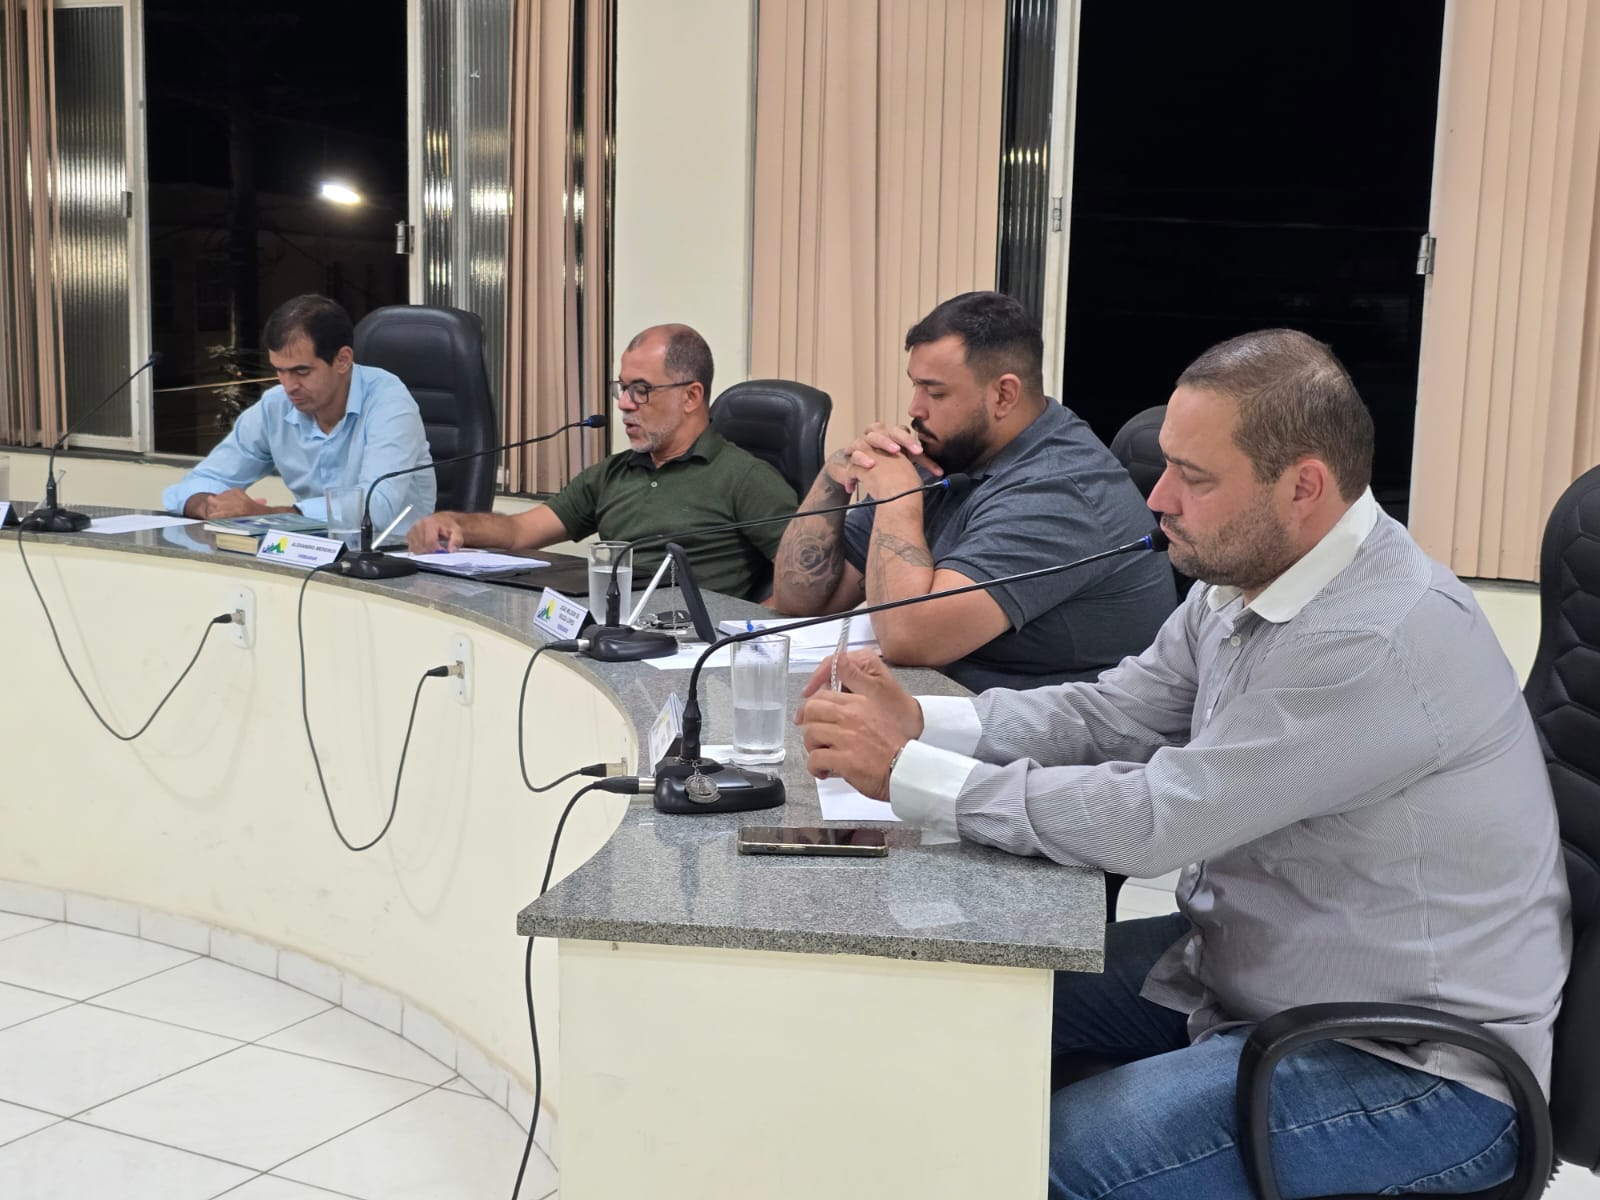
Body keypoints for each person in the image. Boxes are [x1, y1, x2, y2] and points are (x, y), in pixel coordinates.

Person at [796, 329, 1571, 1198]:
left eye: (1193, 477)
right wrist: (931, 722)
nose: (1158, 498)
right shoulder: (1248, 578)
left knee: (1030, 1163)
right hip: (1243, 969)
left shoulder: (1375, 639)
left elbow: (1156, 819)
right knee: (941, 1008)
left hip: (1409, 1066)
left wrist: (910, 773)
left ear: (1303, 487)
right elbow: (1116, 711)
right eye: (1166, 464)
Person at [769, 290, 1174, 692]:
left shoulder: (1060, 490)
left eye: (936, 392)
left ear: (1003, 395)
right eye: (915, 386)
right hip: (947, 703)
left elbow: (910, 638)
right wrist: (835, 476)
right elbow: (800, 600)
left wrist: (899, 499)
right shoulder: (948, 452)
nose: (914, 409)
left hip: (1037, 725)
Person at [406, 323, 798, 599]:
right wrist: (455, 524)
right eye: (622, 388)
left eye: (641, 390)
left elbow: (810, 583)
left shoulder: (744, 478)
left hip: (687, 652)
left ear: (691, 396)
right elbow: (519, 531)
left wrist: (745, 636)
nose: (624, 404)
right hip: (610, 635)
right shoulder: (614, 472)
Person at [163, 295, 434, 537]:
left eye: (301, 371)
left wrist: (266, 516)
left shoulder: (390, 402)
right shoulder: (276, 405)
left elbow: (376, 507)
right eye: (279, 371)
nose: (288, 385)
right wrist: (209, 505)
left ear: (342, 360)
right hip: (309, 554)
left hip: (395, 557)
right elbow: (198, 482)